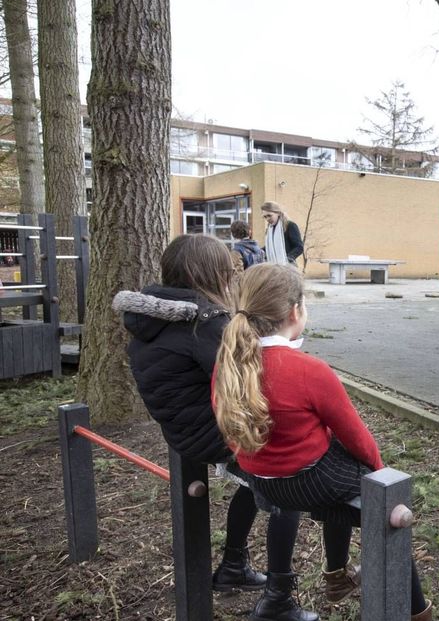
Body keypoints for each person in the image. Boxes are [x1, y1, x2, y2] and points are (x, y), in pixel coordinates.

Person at [212, 264, 433, 621]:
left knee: (344, 470)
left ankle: (337, 577)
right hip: (311, 481)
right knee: (381, 496)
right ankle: (417, 610)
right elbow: (357, 437)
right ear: (295, 311)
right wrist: (380, 474)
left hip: (263, 484)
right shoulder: (307, 369)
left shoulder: (229, 365)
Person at [112, 235, 311, 620]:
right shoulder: (204, 323)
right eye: (227, 270)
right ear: (212, 273)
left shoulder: (153, 316)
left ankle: (234, 565)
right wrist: (286, 345)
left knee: (255, 480)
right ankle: (278, 599)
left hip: (183, 430)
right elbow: (257, 380)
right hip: (214, 432)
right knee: (287, 480)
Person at [261, 201, 304, 265]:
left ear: (278, 213)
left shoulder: (290, 225)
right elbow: (269, 247)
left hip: (288, 267)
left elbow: (299, 247)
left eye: (269, 215)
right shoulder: (269, 229)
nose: (267, 219)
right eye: (265, 217)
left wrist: (287, 259)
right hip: (273, 267)